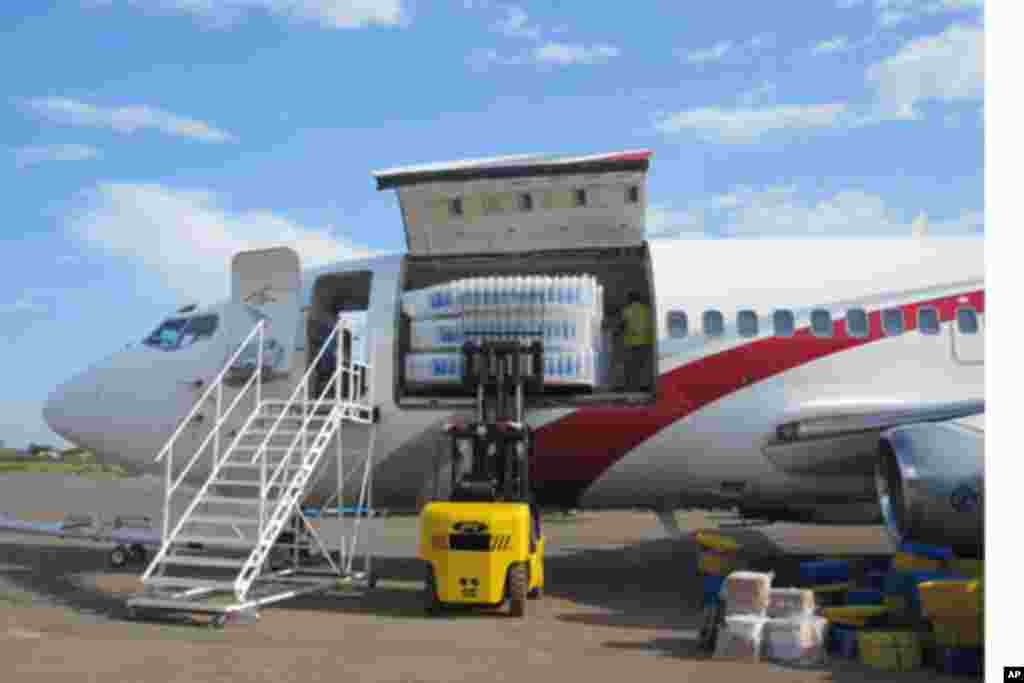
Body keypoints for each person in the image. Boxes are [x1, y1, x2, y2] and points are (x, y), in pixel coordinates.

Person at [616, 291, 654, 392]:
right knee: (642, 367)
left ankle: (631, 388)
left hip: (631, 343)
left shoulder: (627, 311)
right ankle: (643, 387)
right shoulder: (647, 310)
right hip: (645, 343)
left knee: (630, 368)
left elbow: (622, 325)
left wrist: (616, 332)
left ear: (630, 299)